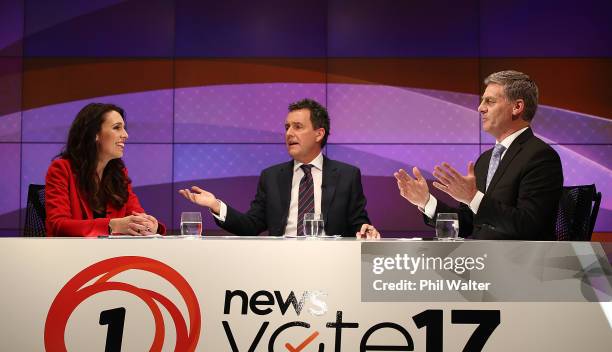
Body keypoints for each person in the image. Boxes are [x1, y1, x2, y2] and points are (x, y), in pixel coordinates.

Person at [394, 70, 563, 240]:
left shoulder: (540, 157)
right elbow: (468, 224)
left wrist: (473, 197)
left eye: (489, 101)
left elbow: (528, 225)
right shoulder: (486, 159)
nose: (480, 108)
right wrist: (426, 201)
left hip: (518, 263)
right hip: (479, 261)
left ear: (517, 107)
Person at [179, 98, 379, 238]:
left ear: (319, 134)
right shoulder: (272, 176)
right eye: (287, 127)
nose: (289, 133)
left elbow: (358, 223)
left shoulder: (347, 175)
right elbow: (251, 225)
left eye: (298, 127)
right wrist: (216, 205)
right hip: (280, 264)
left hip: (331, 263)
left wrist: (367, 230)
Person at [45, 103, 165, 237]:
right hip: (72, 254)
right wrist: (112, 225)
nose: (125, 135)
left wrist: (149, 226)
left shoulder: (119, 173)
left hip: (111, 255)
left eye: (124, 128)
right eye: (117, 128)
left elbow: (135, 214)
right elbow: (58, 225)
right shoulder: (61, 169)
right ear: (95, 134)